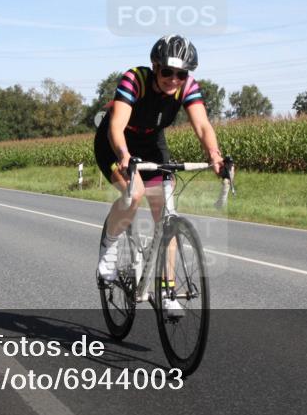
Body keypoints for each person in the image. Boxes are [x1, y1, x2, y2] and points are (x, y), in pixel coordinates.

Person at [93, 35, 224, 316]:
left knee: (166, 215)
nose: (174, 79)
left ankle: (167, 290)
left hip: (152, 143)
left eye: (181, 73)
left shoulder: (186, 87)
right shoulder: (134, 79)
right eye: (167, 71)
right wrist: (125, 157)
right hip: (115, 142)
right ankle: (109, 245)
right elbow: (116, 126)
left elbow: (202, 125)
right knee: (135, 192)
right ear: (155, 66)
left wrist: (214, 154)